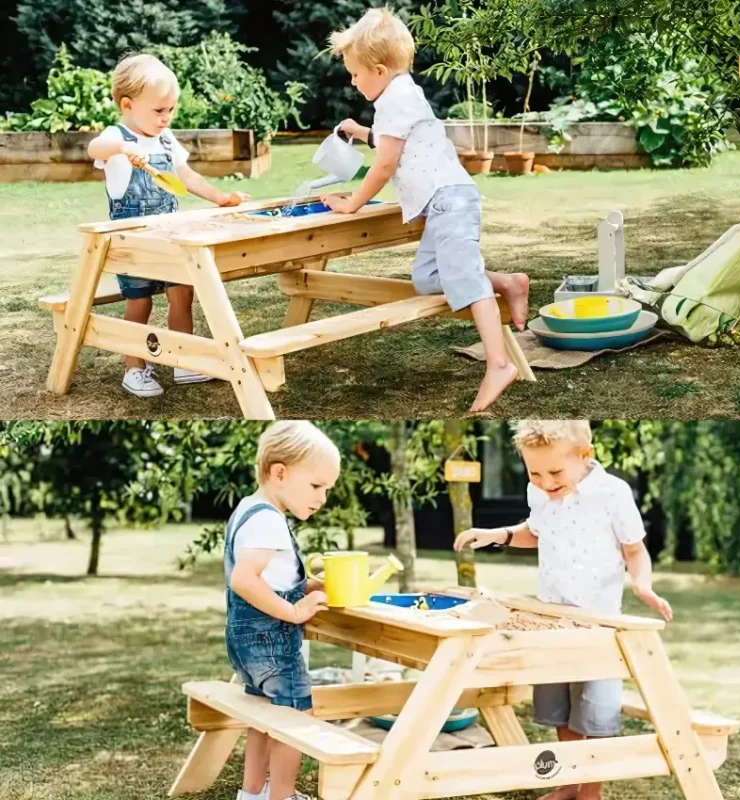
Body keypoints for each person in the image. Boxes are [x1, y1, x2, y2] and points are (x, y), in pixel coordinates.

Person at [323, 8, 531, 412]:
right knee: (428, 278)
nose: (352, 81)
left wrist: (352, 204)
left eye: (355, 73)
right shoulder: (402, 94)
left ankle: (499, 363)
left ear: (379, 70)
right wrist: (359, 130)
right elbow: (394, 145)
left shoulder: (394, 100)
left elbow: (385, 165)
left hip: (449, 201)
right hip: (443, 203)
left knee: (466, 281)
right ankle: (507, 282)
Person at [454, 419, 673, 800]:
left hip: (599, 625)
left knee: (597, 715)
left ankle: (591, 792)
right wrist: (497, 535)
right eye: (534, 471)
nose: (545, 481)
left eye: (555, 472)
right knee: (558, 709)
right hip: (552, 620)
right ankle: (568, 784)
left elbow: (634, 550)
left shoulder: (612, 493)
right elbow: (536, 532)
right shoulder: (538, 492)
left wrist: (642, 585)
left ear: (584, 455)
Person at [87, 53, 249, 398]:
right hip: (133, 242)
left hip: (171, 237)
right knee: (140, 303)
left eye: (170, 110)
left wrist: (220, 197)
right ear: (128, 105)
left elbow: (185, 176)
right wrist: (120, 148)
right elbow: (92, 148)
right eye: (159, 111)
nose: (166, 118)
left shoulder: (164, 139)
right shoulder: (115, 137)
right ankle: (135, 367)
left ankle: (183, 360)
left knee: (182, 293)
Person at [225, 421, 340, 800]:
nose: (322, 497)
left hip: (247, 640)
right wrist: (294, 613)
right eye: (316, 485)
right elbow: (244, 579)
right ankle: (283, 796)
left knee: (263, 718)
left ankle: (253, 793)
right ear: (279, 472)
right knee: (293, 721)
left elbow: (269, 578)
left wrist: (308, 587)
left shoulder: (250, 509)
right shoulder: (269, 520)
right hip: (271, 640)